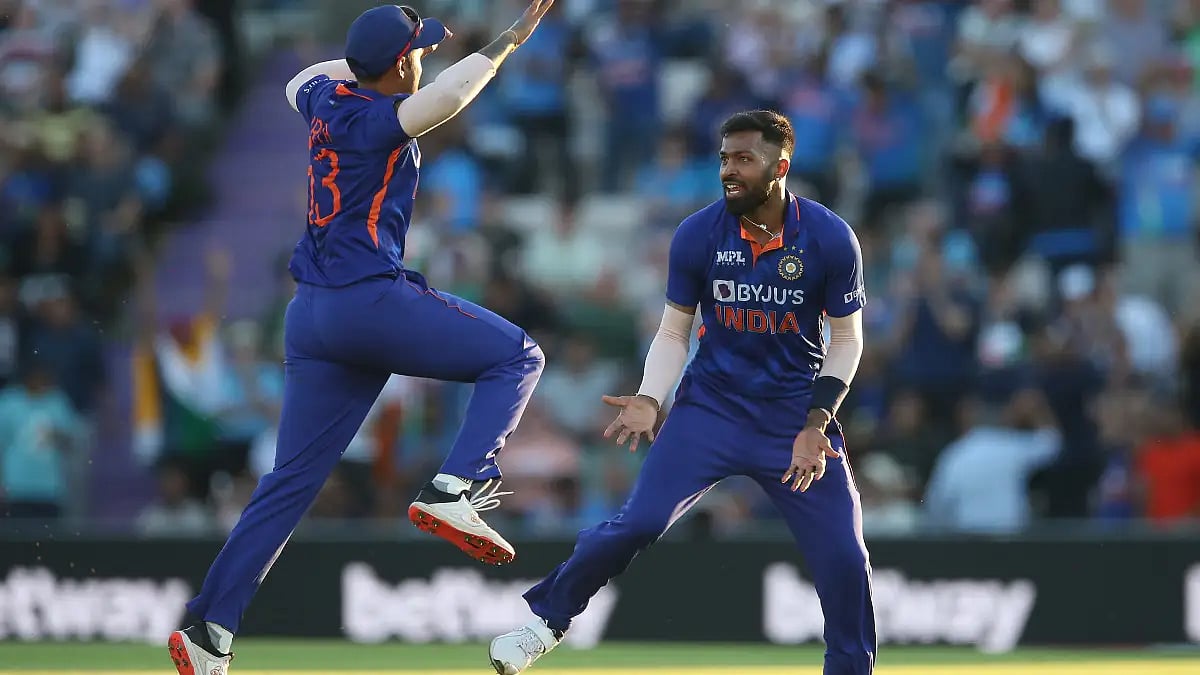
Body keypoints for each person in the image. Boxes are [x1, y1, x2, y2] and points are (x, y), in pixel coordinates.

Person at [167, 3, 557, 674]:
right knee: (519, 355)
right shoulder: (380, 118)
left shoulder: (324, 96)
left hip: (312, 313)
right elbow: (450, 95)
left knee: (288, 483)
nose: (427, 57)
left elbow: (301, 81)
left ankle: (209, 631)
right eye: (420, 50)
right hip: (368, 300)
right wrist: (507, 43)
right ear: (401, 62)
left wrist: (353, 64)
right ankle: (453, 486)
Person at [489, 110, 877, 675]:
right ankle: (544, 623)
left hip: (793, 420)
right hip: (710, 410)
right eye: (724, 158)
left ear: (781, 166)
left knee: (845, 557)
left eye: (744, 159)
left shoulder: (829, 237)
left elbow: (847, 338)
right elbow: (675, 330)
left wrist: (817, 422)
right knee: (638, 523)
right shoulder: (698, 233)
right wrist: (650, 397)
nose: (729, 171)